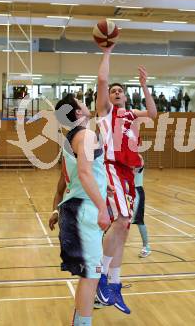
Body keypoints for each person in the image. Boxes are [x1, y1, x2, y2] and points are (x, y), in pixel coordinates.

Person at [96, 45, 157, 314]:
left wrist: (145, 87)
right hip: (112, 168)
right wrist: (107, 52)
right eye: (114, 91)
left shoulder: (131, 114)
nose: (117, 93)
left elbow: (153, 114)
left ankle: (114, 283)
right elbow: (101, 80)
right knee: (120, 221)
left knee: (124, 229)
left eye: (121, 91)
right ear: (109, 97)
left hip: (129, 175)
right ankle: (100, 275)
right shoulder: (106, 112)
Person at [50, 93, 110, 326]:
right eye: (81, 102)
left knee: (89, 275)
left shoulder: (70, 138)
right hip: (84, 210)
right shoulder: (85, 135)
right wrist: (103, 207)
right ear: (77, 112)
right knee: (91, 276)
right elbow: (84, 173)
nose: (86, 104)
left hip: (76, 210)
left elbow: (73, 176)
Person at [132, 159, 151, 258]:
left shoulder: (138, 158)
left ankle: (146, 246)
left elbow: (132, 172)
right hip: (123, 189)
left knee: (139, 220)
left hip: (136, 191)